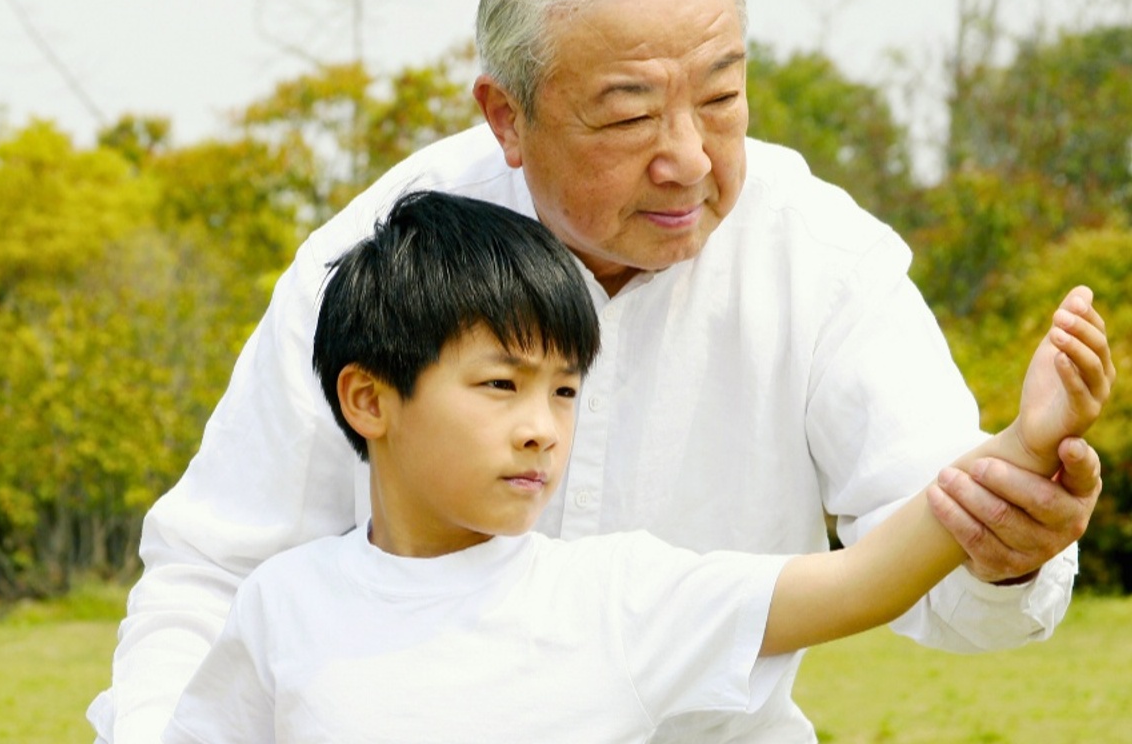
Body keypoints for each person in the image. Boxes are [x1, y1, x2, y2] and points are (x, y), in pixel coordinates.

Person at [92, 0, 1113, 740]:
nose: (685, 158)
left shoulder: (822, 259)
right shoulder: (369, 265)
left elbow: (916, 558)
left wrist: (1006, 537)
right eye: (627, 114)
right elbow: (213, 571)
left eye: (720, 98)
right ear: (507, 114)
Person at [163, 191, 1113, 743]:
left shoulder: (617, 595)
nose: (542, 429)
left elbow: (863, 578)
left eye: (565, 393)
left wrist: (1020, 449)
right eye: (501, 386)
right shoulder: (283, 606)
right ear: (369, 400)